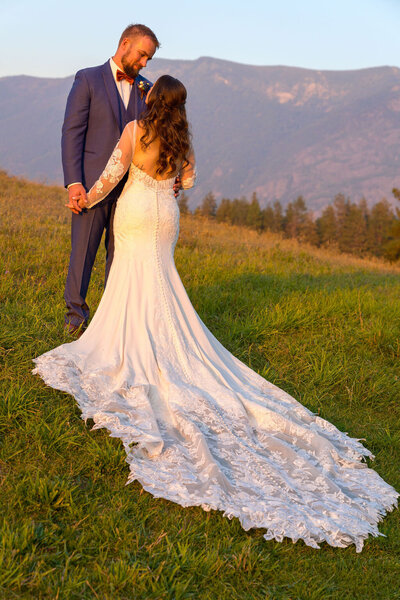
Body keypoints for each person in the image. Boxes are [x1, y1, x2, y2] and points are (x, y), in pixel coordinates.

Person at [34, 75, 399, 553]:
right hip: (166, 219)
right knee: (161, 280)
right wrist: (168, 183)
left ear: (151, 100)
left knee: (132, 278)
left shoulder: (134, 131)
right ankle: (165, 344)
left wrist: (84, 197)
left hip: (137, 212)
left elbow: (110, 178)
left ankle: (135, 346)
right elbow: (186, 182)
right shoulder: (181, 140)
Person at [62, 23, 159, 335]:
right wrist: (74, 182)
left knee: (120, 258)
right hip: (92, 187)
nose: (144, 63)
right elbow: (72, 133)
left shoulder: (148, 89)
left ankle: (111, 322)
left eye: (149, 59)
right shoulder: (87, 78)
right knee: (83, 253)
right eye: (142, 55)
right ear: (125, 44)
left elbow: (158, 138)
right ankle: (75, 318)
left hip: (133, 192)